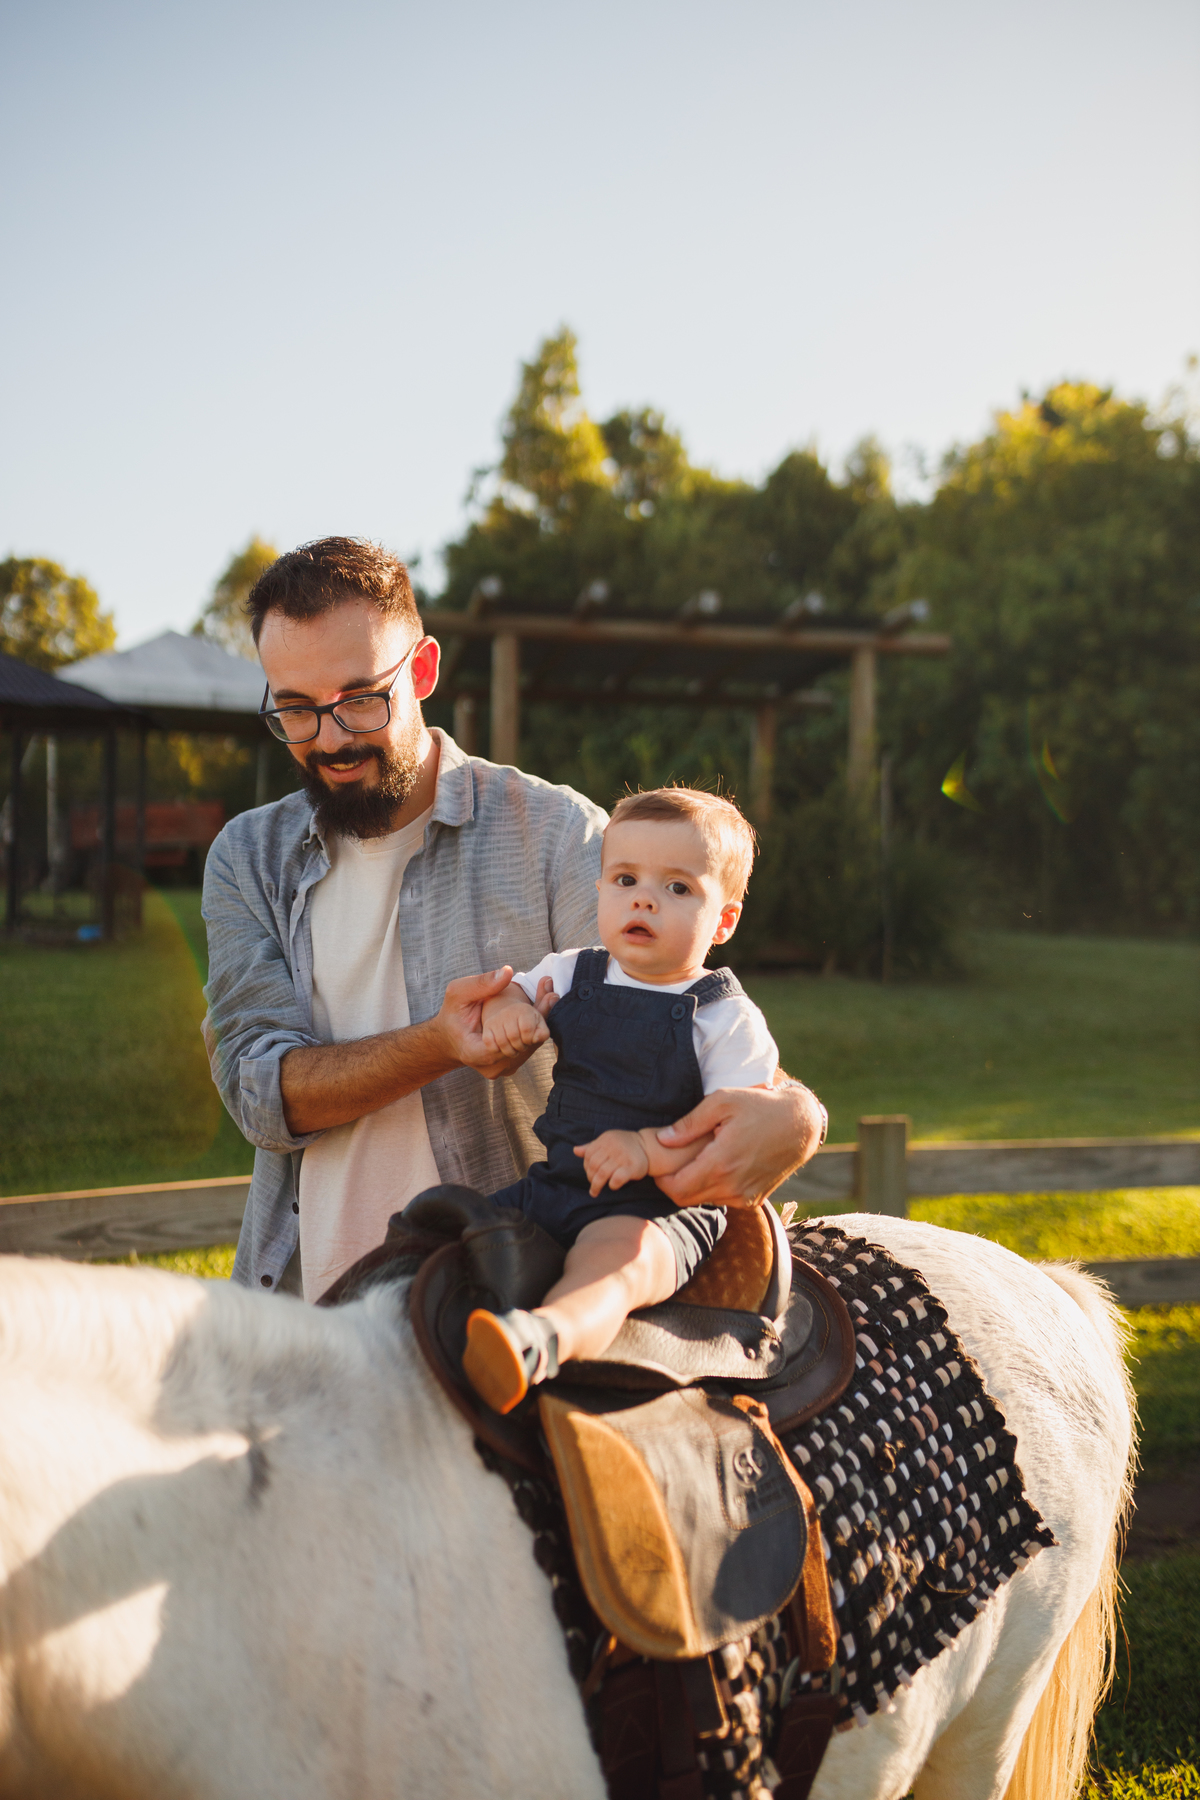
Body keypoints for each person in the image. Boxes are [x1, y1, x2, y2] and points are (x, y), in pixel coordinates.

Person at [200, 537, 827, 1301]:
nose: (330, 738)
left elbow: (667, 1018)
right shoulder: (247, 857)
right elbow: (262, 1095)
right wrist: (439, 1043)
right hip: (302, 1299)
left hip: (503, 1285)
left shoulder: (558, 833)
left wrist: (795, 1112)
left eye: (360, 698)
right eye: (296, 710)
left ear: (423, 670)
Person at [459, 786, 779, 1416]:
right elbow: (512, 992)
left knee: (612, 1267)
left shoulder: (724, 1018)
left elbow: (730, 1132)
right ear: (601, 889)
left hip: (658, 1208)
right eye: (625, 878)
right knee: (454, 1228)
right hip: (554, 1183)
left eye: (678, 888)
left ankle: (540, 1341)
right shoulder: (577, 969)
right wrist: (508, 1013)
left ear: (724, 921)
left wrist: (647, 1149)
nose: (644, 898)